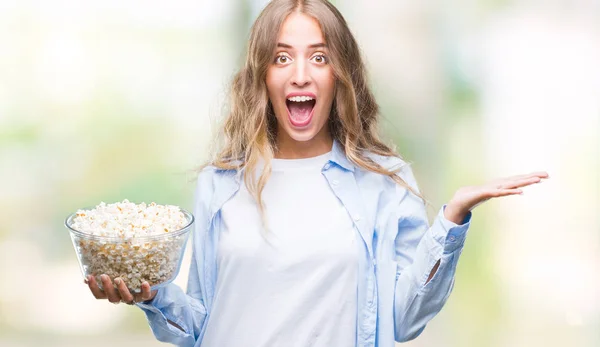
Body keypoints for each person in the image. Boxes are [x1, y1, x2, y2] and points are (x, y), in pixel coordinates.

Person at [85, 1, 548, 346]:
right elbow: (196, 325)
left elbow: (404, 319)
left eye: (319, 57)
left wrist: (451, 219)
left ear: (339, 74)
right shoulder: (221, 183)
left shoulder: (384, 182)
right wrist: (151, 294)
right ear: (262, 75)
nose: (301, 75)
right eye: (282, 57)